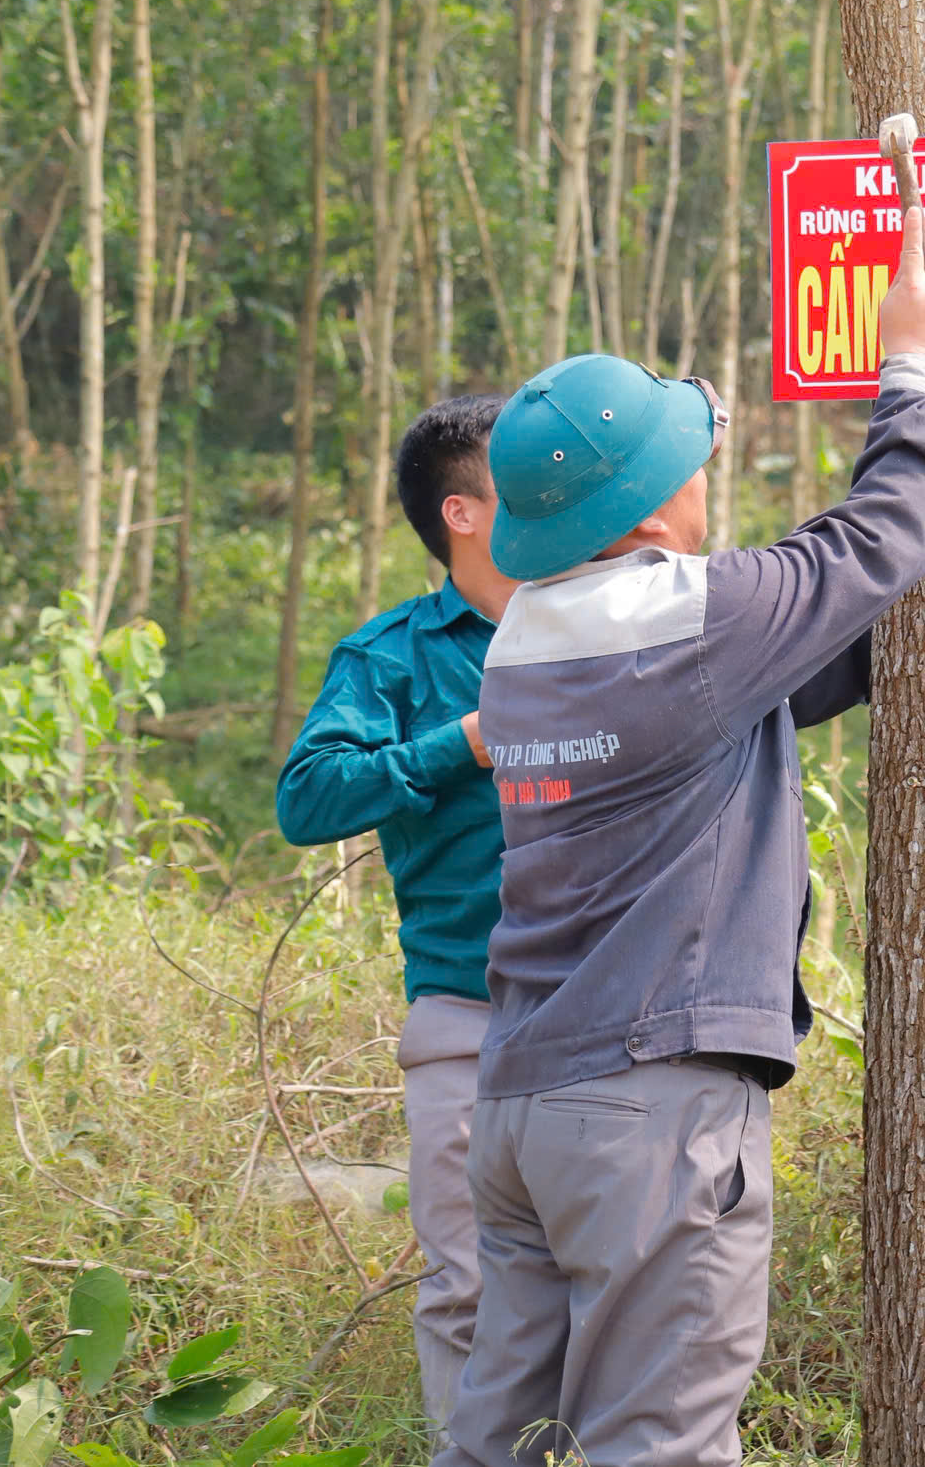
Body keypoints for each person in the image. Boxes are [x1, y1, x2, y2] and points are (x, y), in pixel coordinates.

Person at [432, 209, 925, 1467]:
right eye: (693, 454)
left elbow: (755, 697)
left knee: (492, 1443)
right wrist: (914, 364)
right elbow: (883, 533)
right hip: (648, 1109)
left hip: (517, 1102)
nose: (705, 467)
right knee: (655, 1444)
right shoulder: (693, 615)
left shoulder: (523, 646)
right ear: (656, 500)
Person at [276, 394, 515, 1435]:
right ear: (461, 512)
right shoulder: (391, 655)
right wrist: (458, 740)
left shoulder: (612, 616)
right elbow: (308, 799)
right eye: (525, 478)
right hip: (465, 1016)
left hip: (617, 1017)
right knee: (466, 1289)